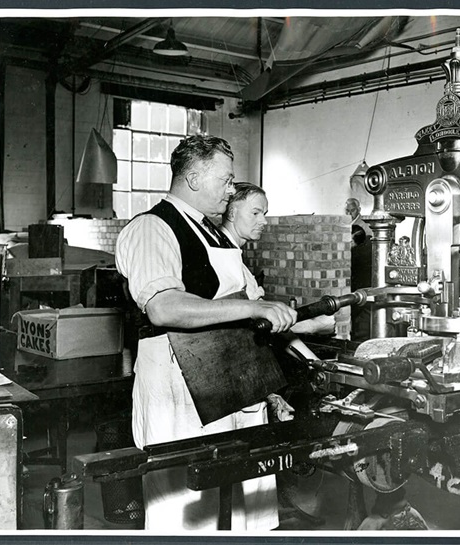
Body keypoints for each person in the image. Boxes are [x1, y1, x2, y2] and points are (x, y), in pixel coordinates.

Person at [115, 135, 298, 531]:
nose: (231, 190)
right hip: (177, 381)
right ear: (194, 178)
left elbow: (240, 301)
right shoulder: (153, 227)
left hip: (228, 377)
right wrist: (252, 307)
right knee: (184, 506)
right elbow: (163, 306)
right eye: (226, 180)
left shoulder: (211, 233)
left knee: (242, 497)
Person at [220, 182, 335, 336]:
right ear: (232, 213)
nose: (264, 221)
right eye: (255, 213)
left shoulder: (231, 253)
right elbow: (254, 324)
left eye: (264, 214)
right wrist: (313, 326)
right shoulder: (223, 255)